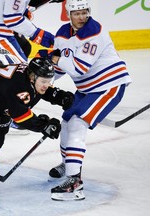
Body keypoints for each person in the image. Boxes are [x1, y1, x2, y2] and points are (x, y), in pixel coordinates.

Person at [37, 0, 132, 201]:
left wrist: (53, 59)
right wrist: (42, 79)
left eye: (84, 12)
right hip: (86, 88)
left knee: (78, 123)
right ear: (69, 14)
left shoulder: (93, 31)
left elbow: (79, 68)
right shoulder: (63, 33)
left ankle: (75, 182)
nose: (81, 17)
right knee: (67, 122)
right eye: (77, 13)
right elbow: (62, 66)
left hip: (108, 86)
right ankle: (68, 164)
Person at [0, 56, 74, 208]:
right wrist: (43, 125)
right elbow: (21, 117)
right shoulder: (19, 87)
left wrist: (60, 96)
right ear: (32, 77)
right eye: (44, 81)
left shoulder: (32, 79)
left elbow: (41, 89)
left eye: (49, 81)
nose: (47, 85)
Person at [0, 0, 65, 59]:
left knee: (25, 47)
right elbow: (12, 19)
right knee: (19, 72)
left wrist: (22, 10)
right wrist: (40, 35)